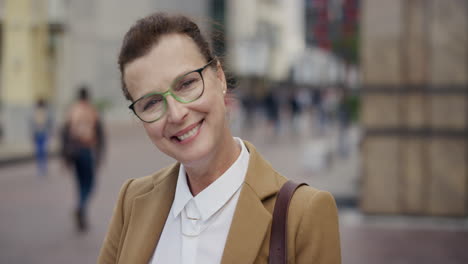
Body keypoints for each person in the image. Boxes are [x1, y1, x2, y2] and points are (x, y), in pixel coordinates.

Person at [98, 12, 340, 264]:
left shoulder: (302, 213)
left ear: (220, 77)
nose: (177, 113)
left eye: (186, 84)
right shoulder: (132, 200)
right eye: (151, 103)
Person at [63, 86, 105, 232]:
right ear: (88, 96)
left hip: (74, 152)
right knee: (90, 184)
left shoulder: (72, 111)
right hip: (86, 151)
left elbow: (65, 133)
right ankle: (81, 206)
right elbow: (100, 134)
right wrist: (100, 155)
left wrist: (65, 157)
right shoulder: (92, 111)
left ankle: (81, 210)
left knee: (80, 183)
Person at [30, 98, 53, 177]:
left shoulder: (40, 112)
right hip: (40, 134)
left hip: (42, 134)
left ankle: (42, 168)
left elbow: (49, 124)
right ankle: (42, 168)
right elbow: (33, 125)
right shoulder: (39, 113)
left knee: (41, 152)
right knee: (41, 151)